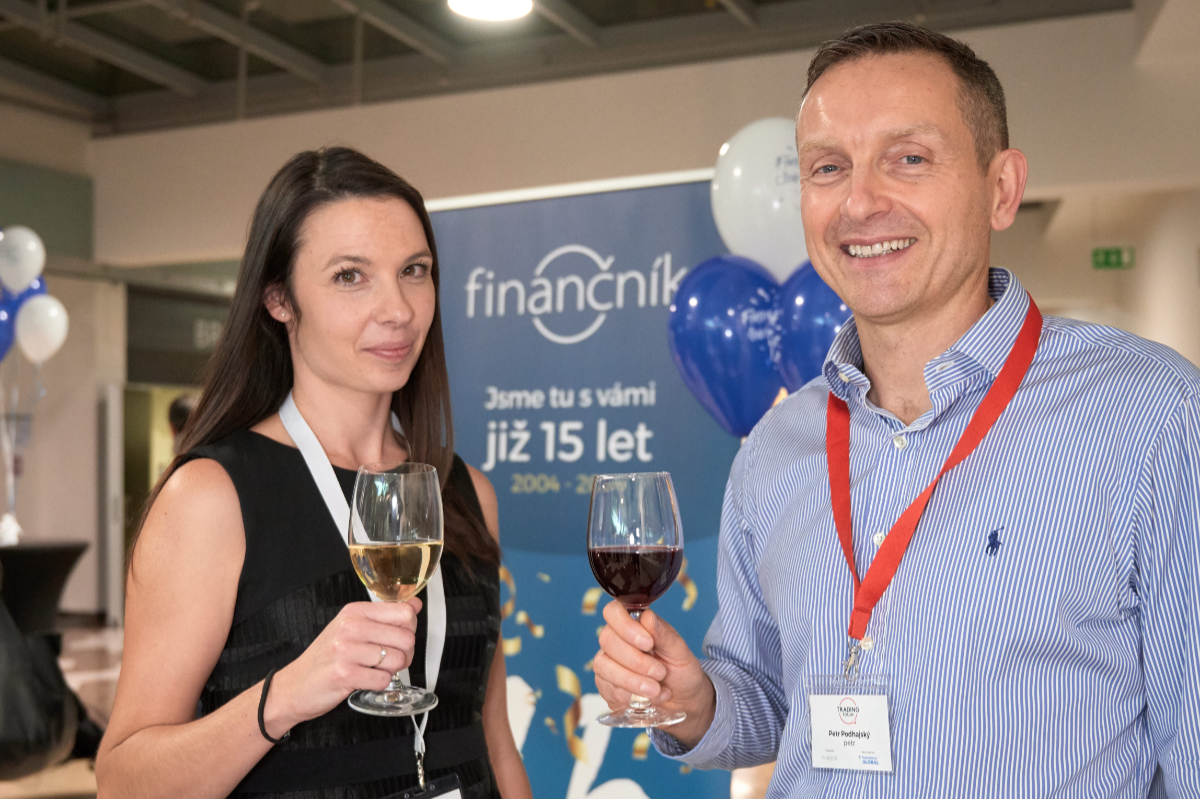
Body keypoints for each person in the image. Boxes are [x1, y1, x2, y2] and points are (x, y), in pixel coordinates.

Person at [593, 22, 1200, 797]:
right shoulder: (776, 445)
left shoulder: (1151, 416)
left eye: (908, 158)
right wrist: (695, 702)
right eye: (828, 167)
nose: (860, 201)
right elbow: (769, 699)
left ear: (1002, 189)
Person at [96, 147, 533, 799]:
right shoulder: (213, 497)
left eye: (413, 271)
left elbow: (492, 740)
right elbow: (124, 782)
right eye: (350, 276)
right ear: (279, 299)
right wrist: (287, 694)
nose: (398, 308)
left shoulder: (467, 492)